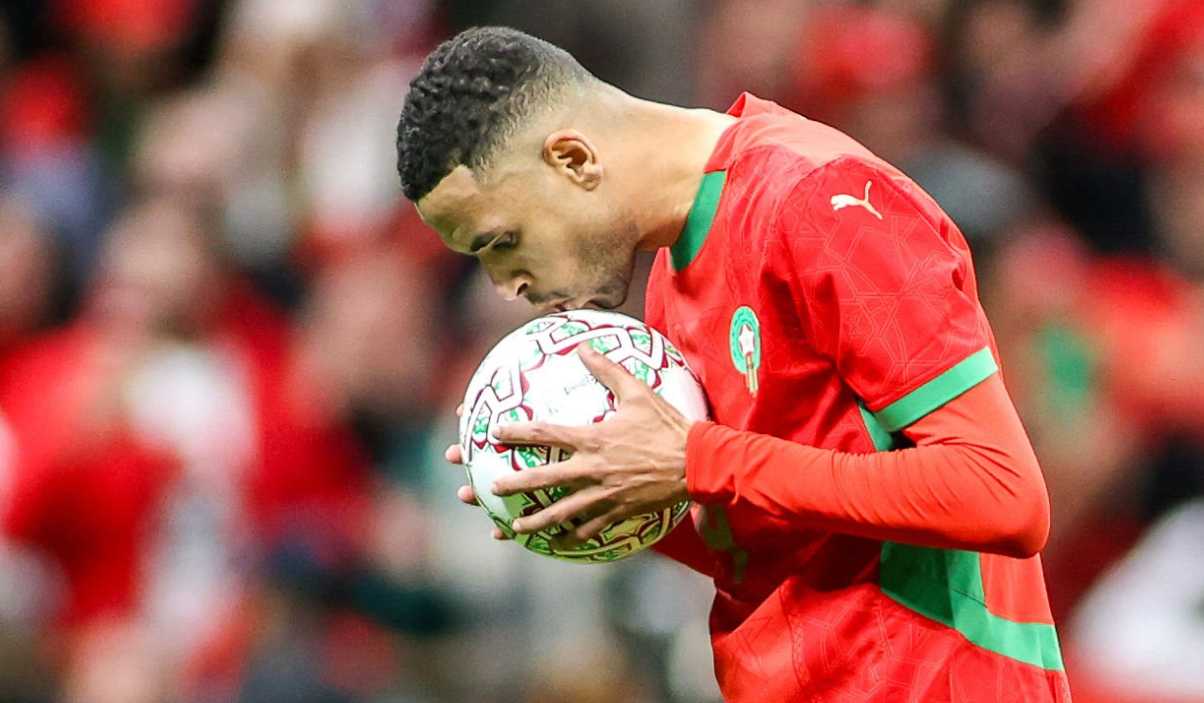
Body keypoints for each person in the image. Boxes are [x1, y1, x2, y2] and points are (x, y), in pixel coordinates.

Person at [395, 27, 1071, 702]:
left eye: (502, 241)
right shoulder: (673, 279)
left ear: (572, 158)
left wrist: (696, 460)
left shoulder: (818, 197)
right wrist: (593, 488)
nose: (503, 284)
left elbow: (1001, 491)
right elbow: (775, 546)